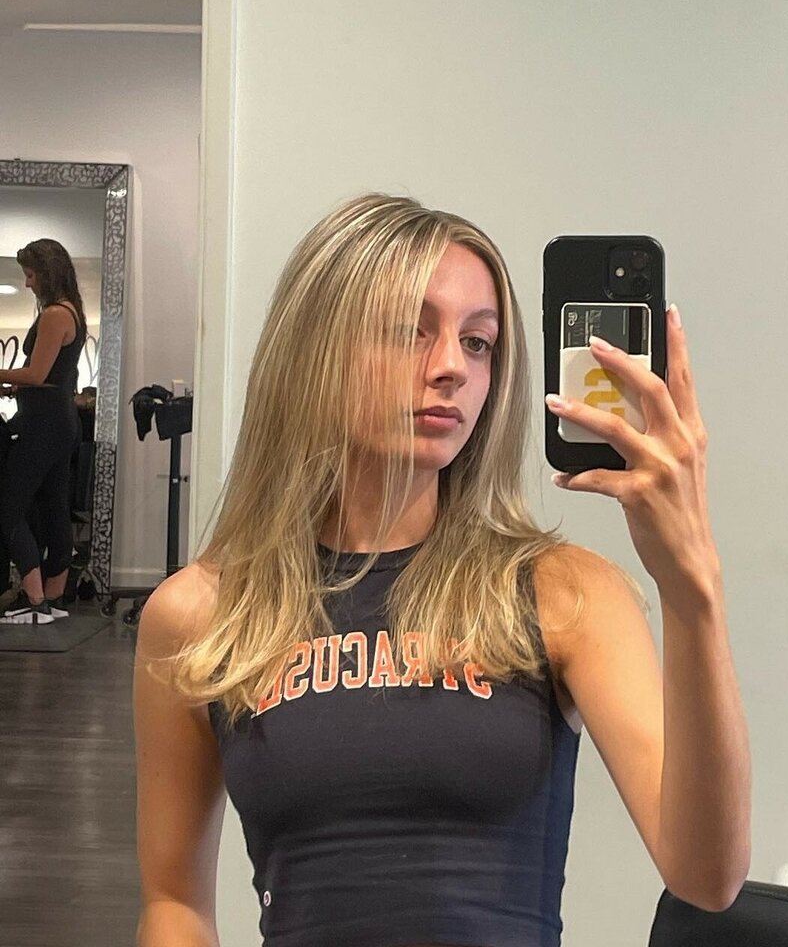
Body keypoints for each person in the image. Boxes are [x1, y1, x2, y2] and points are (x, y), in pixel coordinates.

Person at [133, 194, 751, 947]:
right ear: (313, 348)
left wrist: (691, 585)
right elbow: (174, 901)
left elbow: (705, 876)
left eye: (478, 341)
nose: (452, 366)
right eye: (408, 330)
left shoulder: (561, 594)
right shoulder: (201, 612)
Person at [0, 239, 88, 625]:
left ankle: (34, 600)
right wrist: (12, 387)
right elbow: (51, 378)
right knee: (54, 507)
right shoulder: (72, 312)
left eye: (31, 275)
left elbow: (36, 374)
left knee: (8, 506)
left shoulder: (54, 314)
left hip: (44, 425)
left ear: (47, 274)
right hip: (58, 420)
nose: (28, 283)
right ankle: (53, 598)